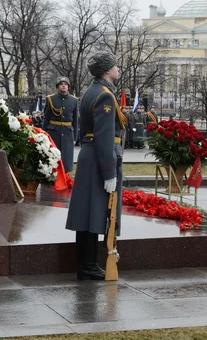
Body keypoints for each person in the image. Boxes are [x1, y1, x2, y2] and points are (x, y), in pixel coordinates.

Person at [66, 51, 125, 280]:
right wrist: (109, 171)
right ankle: (89, 266)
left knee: (87, 213)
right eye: (115, 65)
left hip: (90, 156)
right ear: (106, 69)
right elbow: (104, 136)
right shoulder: (105, 96)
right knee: (95, 213)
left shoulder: (91, 91)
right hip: (100, 159)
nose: (117, 68)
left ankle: (86, 264)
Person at [43, 77, 79, 173]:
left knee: (66, 158)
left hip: (68, 133)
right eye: (61, 84)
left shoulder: (74, 100)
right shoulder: (50, 99)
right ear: (57, 87)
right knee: (53, 157)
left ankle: (66, 178)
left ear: (68, 87)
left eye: (65, 84)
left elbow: (75, 120)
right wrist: (44, 135)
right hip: (53, 132)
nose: (63, 85)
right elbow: (46, 119)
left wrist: (75, 136)